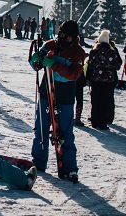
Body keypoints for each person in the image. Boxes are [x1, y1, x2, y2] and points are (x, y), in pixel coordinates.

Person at [28, 19, 86, 182]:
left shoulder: (78, 52)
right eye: (61, 34)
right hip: (47, 91)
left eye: (67, 36)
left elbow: (74, 74)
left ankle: (69, 167)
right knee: (41, 128)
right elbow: (37, 64)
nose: (63, 38)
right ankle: (39, 161)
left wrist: (53, 65)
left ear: (74, 37)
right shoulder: (51, 45)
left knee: (65, 132)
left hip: (65, 96)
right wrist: (36, 60)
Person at [85, 29, 122, 130]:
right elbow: (118, 66)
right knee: (105, 102)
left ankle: (94, 121)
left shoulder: (94, 51)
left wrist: (88, 78)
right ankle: (102, 122)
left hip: (95, 80)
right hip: (108, 81)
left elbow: (90, 65)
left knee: (95, 101)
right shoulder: (112, 52)